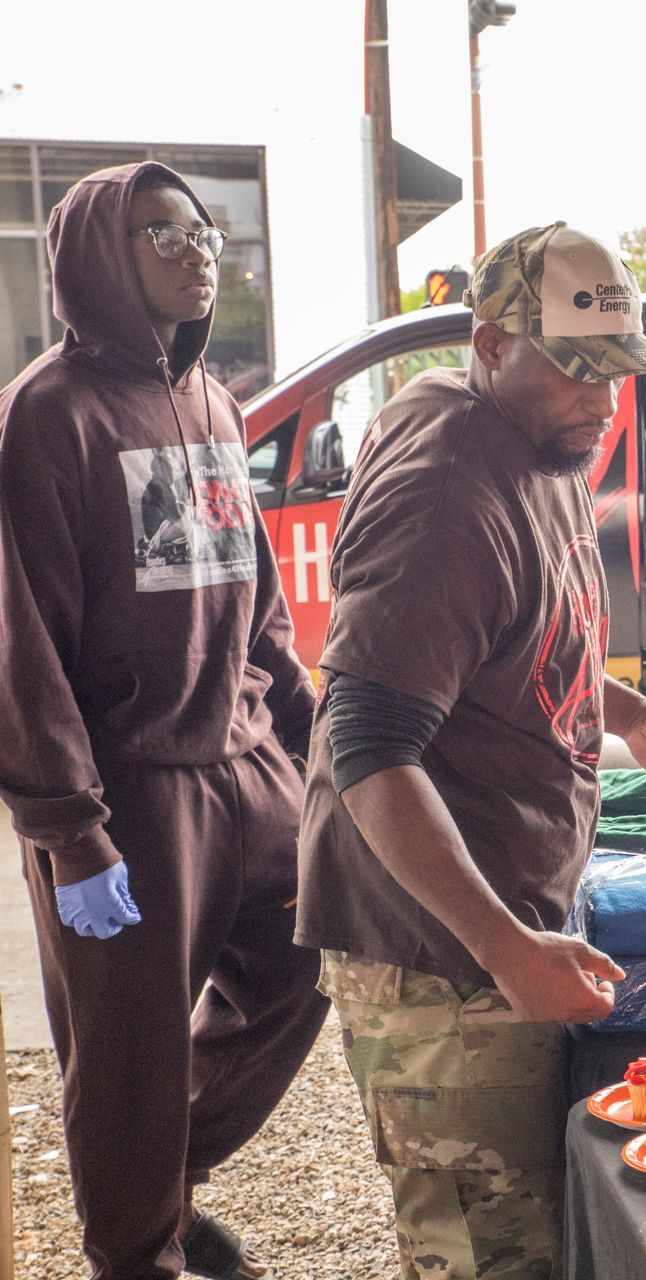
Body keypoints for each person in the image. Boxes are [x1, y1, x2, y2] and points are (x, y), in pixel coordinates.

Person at [294, 222, 646, 1278]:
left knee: (539, 1227)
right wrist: (504, 948)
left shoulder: (532, 435)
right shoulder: (445, 493)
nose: (602, 399)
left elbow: (523, 635)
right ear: (492, 346)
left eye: (619, 371)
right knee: (490, 1251)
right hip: (441, 960)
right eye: (576, 370)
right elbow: (367, 743)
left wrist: (625, 715)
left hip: (496, 925)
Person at [0, 162, 326, 1279]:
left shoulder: (216, 400)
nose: (196, 253)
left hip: (246, 762)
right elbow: (18, 640)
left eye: (204, 233)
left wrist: (313, 747)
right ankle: (135, 1253)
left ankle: (160, 1176)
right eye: (161, 234)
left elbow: (263, 604)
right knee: (128, 1058)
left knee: (316, 961)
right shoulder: (46, 414)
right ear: (99, 252)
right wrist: (69, 831)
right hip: (127, 793)